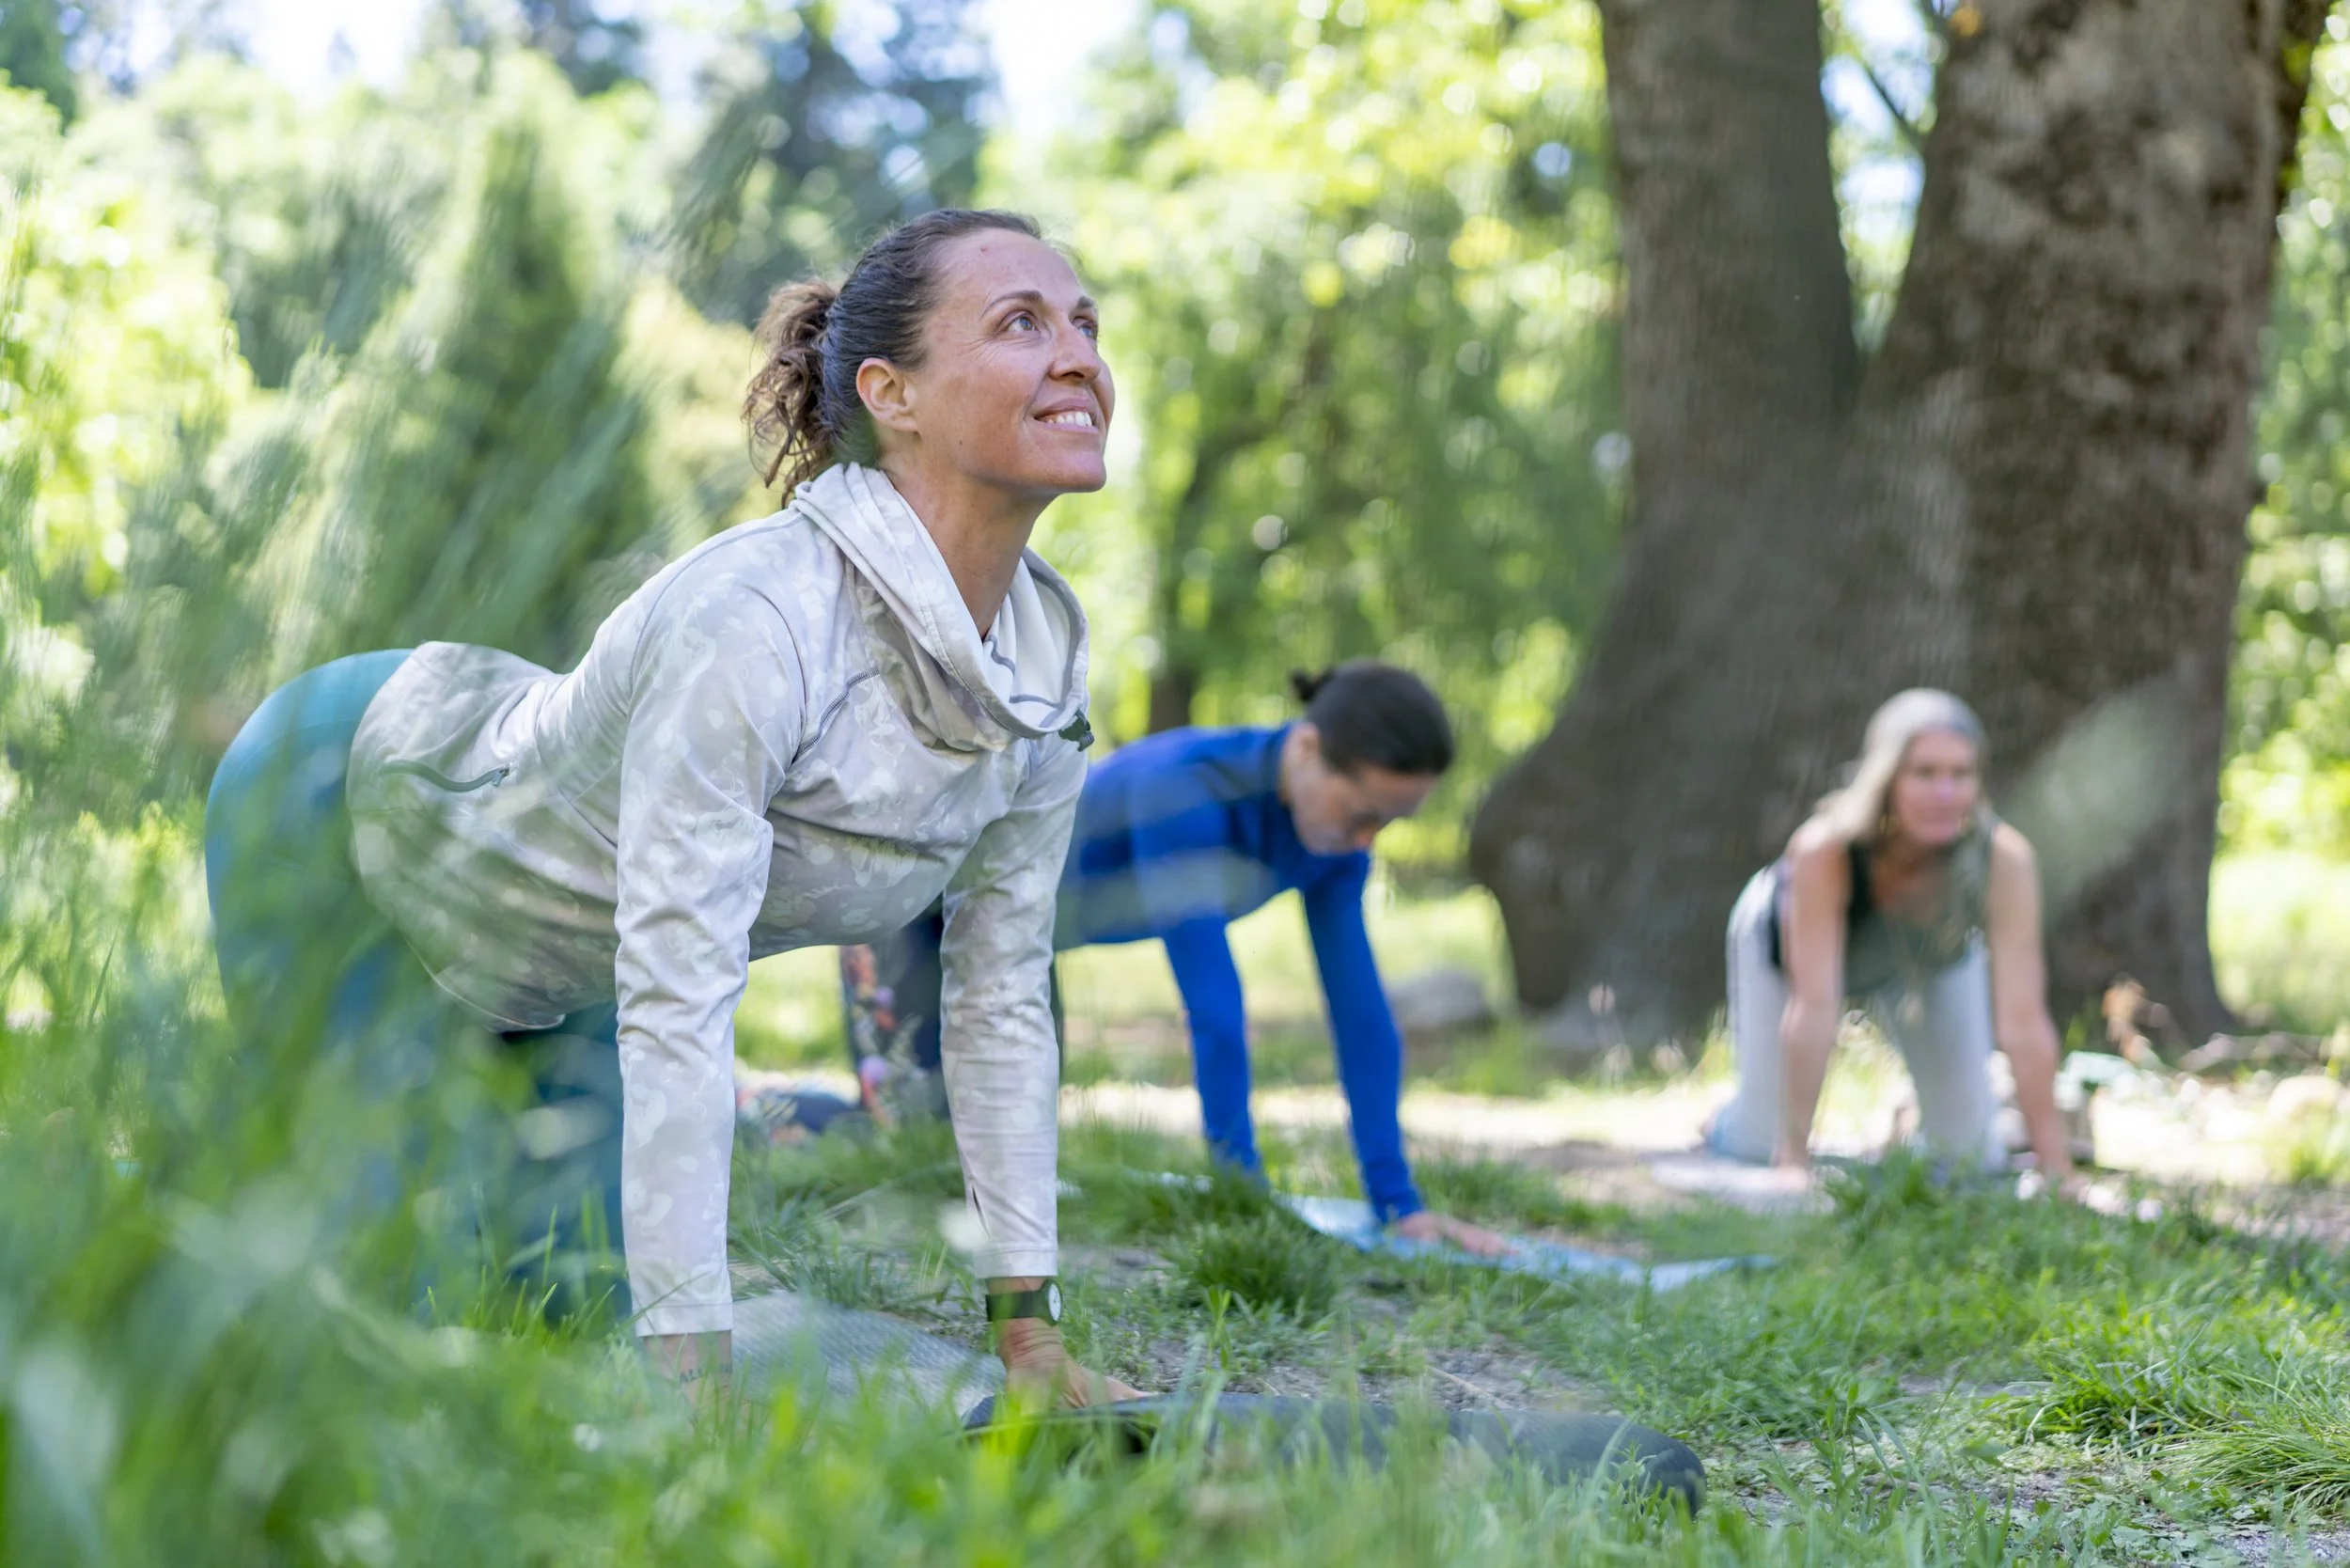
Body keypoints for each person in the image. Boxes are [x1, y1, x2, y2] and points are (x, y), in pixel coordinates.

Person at [203, 208, 1137, 1405]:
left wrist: (1033, 1346)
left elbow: (1002, 1001)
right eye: (1022, 322)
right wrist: (696, 1396)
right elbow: (683, 1003)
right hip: (345, 801)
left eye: (1084, 323)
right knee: (391, 1329)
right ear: (890, 394)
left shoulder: (1038, 674)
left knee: (569, 1313)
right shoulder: (755, 618)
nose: (1078, 355)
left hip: (569, 952)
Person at [843, 662, 1510, 1255]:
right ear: (1308, 748)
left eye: (1385, 825)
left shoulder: (1332, 845)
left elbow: (1361, 1016)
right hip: (911, 915)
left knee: (1000, 1153)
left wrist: (1400, 1208)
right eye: (1361, 813)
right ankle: (772, 1117)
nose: (1366, 839)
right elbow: (1215, 1011)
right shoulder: (1187, 788)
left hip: (1012, 942)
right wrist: (1241, 1197)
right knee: (914, 1152)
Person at [1707, 689, 2076, 1185]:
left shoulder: (2004, 862)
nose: (1944, 793)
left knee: (1970, 1159)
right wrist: (1794, 1159)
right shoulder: (1825, 851)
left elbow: (2024, 1022)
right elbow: (1814, 1006)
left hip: (1930, 959)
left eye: (1960, 774)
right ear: (1886, 780)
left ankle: (1909, 1124)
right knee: (1758, 1143)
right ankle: (1726, 1117)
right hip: (1786, 948)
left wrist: (2058, 1171)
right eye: (1924, 773)